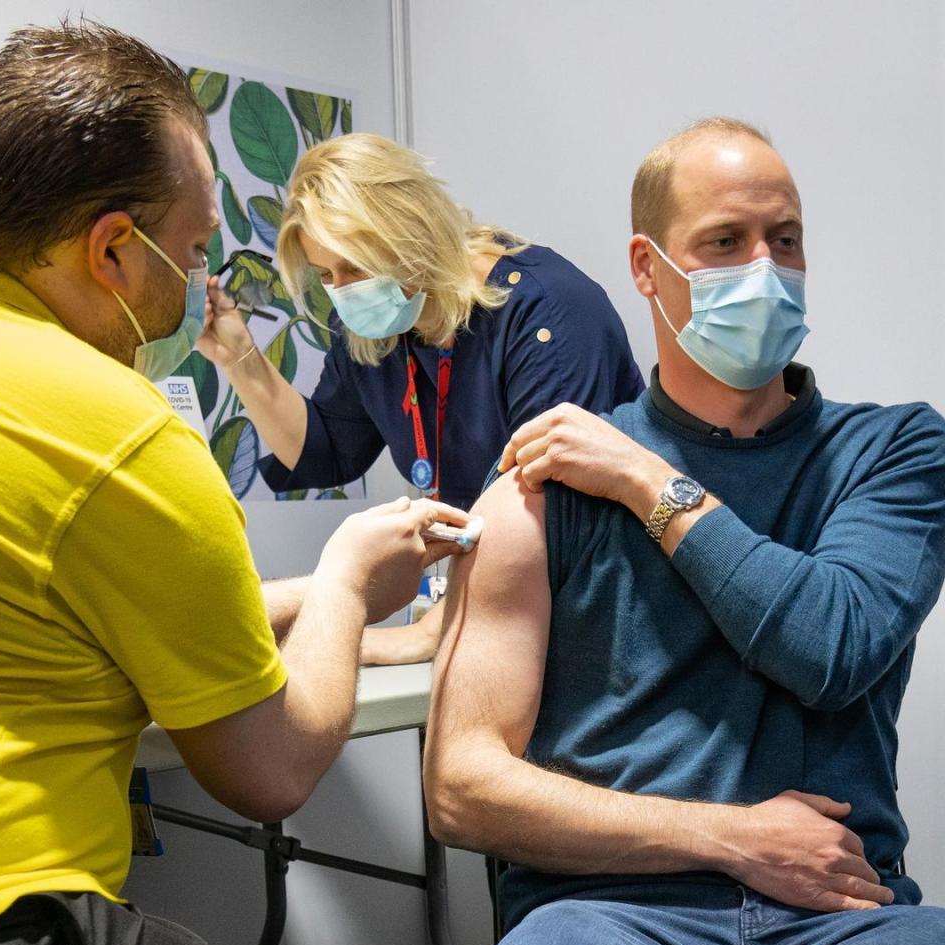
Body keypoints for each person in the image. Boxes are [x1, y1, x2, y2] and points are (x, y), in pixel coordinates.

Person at [0, 21, 467, 945]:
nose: (200, 276)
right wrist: (340, 583)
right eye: (195, 248)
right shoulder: (118, 431)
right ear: (113, 248)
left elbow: (79, 610)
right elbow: (269, 770)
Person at [423, 118, 945, 945]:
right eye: (726, 242)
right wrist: (730, 838)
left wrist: (647, 482)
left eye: (786, 240)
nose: (765, 270)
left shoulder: (894, 450)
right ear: (647, 268)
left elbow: (831, 646)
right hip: (606, 918)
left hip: (846, 918)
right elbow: (461, 789)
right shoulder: (545, 480)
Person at [198, 133, 645, 664]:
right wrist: (239, 358)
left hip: (596, 620)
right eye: (327, 275)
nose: (342, 291)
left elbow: (552, 510)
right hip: (486, 621)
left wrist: (426, 634)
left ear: (413, 233)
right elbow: (327, 451)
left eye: (355, 267)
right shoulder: (377, 327)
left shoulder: (548, 311)